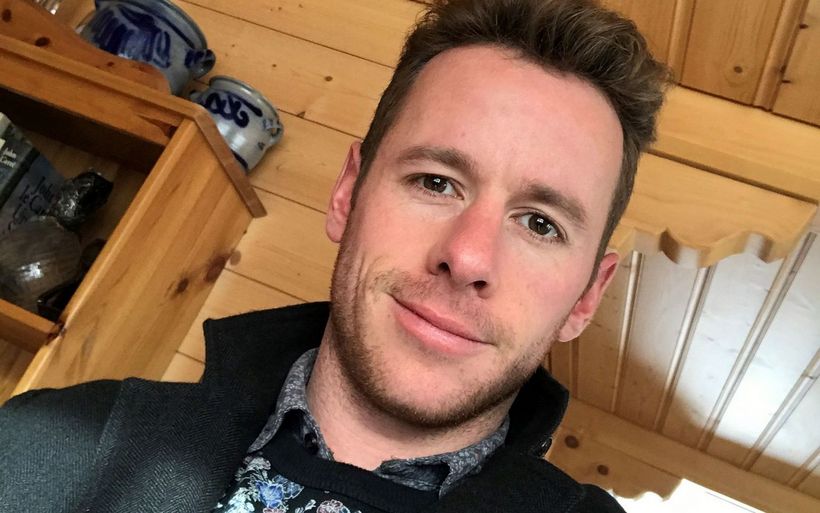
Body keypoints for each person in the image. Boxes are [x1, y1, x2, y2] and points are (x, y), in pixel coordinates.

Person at [0, 0, 668, 511]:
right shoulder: (42, 451)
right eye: (436, 182)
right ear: (348, 193)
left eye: (541, 224)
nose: (467, 256)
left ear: (587, 297)